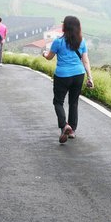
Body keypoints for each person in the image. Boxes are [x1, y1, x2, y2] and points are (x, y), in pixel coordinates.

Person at [42, 15, 94, 143]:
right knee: (73, 102)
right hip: (79, 75)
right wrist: (90, 77)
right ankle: (72, 131)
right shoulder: (81, 41)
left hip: (62, 76)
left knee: (58, 102)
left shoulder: (58, 42)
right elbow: (85, 61)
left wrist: (44, 53)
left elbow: (49, 57)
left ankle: (65, 126)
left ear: (65, 27)